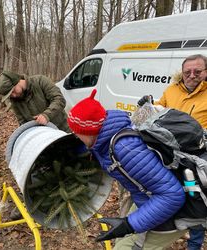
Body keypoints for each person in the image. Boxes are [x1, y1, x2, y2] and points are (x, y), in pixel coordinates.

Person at [67, 89, 188, 249]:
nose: (75, 135)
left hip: (173, 211)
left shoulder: (125, 149)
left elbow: (173, 195)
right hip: (147, 198)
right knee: (122, 241)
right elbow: (96, 148)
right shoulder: (106, 132)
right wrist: (68, 153)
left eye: (77, 132)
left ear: (89, 131)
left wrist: (130, 225)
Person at [138, 54, 207, 250]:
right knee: (170, 194)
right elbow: (160, 109)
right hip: (168, 156)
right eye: (187, 72)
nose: (192, 75)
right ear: (182, 73)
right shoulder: (172, 89)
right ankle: (166, 233)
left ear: (206, 72)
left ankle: (194, 244)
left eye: (197, 71)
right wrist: (148, 103)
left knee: (195, 202)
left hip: (195, 161)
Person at [0, 70, 70, 132]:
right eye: (10, 95)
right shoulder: (15, 101)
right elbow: (22, 122)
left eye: (13, 91)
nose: (13, 95)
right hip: (43, 137)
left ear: (17, 81)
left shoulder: (40, 81)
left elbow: (59, 100)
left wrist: (46, 115)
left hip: (63, 130)